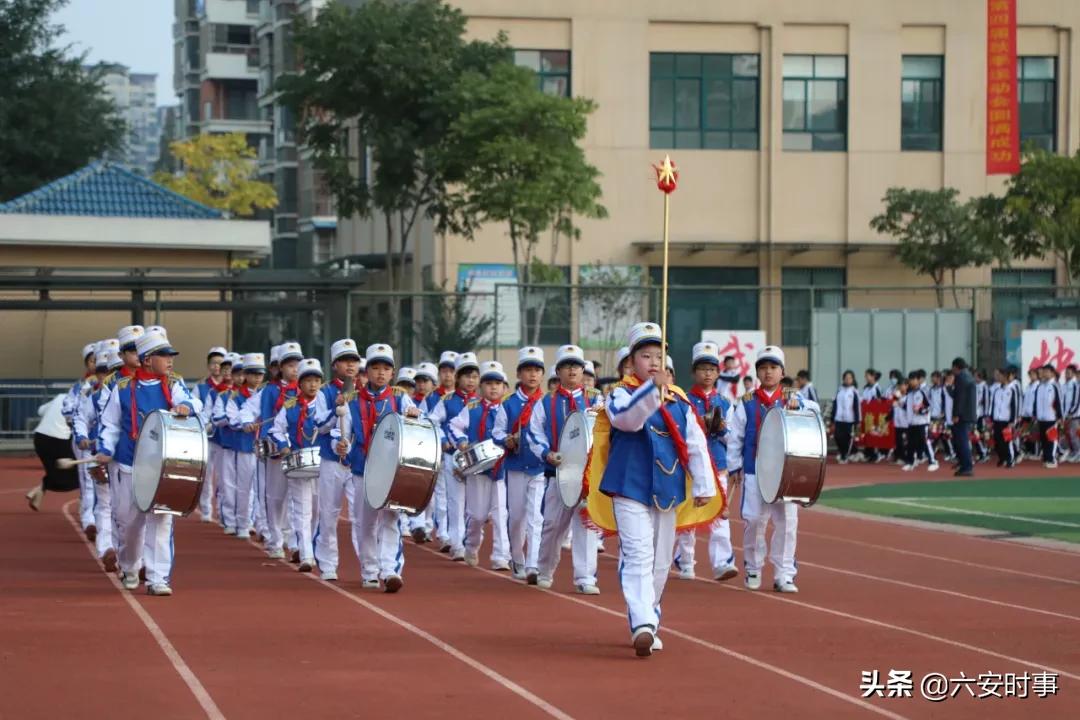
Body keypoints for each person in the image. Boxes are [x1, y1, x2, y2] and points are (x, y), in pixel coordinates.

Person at [599, 322, 717, 657]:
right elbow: (628, 420)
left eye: (658, 356)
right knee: (638, 555)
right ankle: (642, 624)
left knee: (662, 562)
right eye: (645, 355)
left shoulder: (680, 400)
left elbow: (694, 444)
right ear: (631, 362)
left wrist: (705, 485)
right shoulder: (620, 394)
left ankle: (650, 616)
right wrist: (652, 390)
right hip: (629, 486)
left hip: (667, 488)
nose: (652, 361)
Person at [96, 328, 198, 596]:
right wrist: (105, 447)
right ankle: (130, 567)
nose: (170, 360)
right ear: (147, 359)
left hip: (162, 465)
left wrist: (186, 406)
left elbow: (190, 401)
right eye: (164, 355)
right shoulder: (121, 388)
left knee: (162, 519)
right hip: (128, 463)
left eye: (170, 355)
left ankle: (158, 577)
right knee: (130, 522)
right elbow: (109, 423)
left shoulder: (174, 383)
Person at [727, 345, 818, 595]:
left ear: (782, 371)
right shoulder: (746, 403)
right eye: (763, 368)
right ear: (757, 372)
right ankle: (753, 567)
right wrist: (734, 466)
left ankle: (784, 573)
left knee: (787, 522)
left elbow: (815, 414)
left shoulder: (793, 398)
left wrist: (799, 404)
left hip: (785, 473)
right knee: (754, 520)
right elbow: (735, 437)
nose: (768, 373)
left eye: (773, 368)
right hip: (754, 471)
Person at [334, 343, 421, 591]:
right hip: (363, 469)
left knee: (392, 519)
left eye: (386, 368)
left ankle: (390, 570)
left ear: (392, 373)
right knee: (367, 522)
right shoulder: (351, 402)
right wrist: (341, 445)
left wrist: (415, 414)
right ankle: (370, 571)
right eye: (375, 368)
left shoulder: (400, 398)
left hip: (394, 471)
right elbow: (342, 434)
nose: (380, 373)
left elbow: (419, 422)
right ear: (366, 371)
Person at [528, 344, 603, 594]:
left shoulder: (596, 398)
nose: (572, 370)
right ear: (558, 371)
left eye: (576, 366)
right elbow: (534, 432)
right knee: (552, 525)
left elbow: (608, 429)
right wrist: (545, 453)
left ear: (583, 370)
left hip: (589, 476)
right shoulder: (545, 402)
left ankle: (585, 577)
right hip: (556, 472)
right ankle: (544, 570)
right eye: (567, 366)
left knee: (587, 526)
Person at [675, 341, 736, 582]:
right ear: (694, 372)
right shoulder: (683, 400)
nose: (707, 374)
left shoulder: (725, 403)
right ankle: (686, 561)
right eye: (702, 369)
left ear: (718, 372)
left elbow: (733, 438)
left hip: (718, 465)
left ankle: (722, 562)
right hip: (692, 468)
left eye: (712, 369)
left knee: (720, 514)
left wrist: (720, 429)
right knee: (689, 516)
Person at [491, 347, 547, 583]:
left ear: (542, 374)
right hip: (515, 467)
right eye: (527, 370)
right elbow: (497, 431)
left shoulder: (547, 402)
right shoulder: (509, 403)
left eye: (536, 370)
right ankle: (518, 558)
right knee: (516, 518)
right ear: (519, 374)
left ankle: (533, 564)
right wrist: (507, 440)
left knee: (536, 517)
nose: (532, 375)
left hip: (539, 467)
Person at [450, 361, 512, 569]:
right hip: (479, 468)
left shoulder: (509, 408)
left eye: (497, 383)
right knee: (477, 514)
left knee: (500, 513)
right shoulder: (472, 408)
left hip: (503, 469)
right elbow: (455, 425)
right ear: (481, 387)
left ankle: (500, 556)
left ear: (504, 387)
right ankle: (471, 545)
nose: (493, 388)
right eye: (488, 383)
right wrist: (461, 442)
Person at [312, 339, 364, 580]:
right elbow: (319, 425)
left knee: (361, 515)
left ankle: (368, 564)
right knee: (329, 512)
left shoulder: (366, 391)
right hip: (332, 461)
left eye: (354, 360)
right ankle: (328, 563)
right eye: (345, 361)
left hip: (358, 463)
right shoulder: (324, 392)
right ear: (335, 365)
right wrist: (335, 409)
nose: (350, 365)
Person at [249, 342, 303, 560]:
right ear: (281, 367)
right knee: (276, 496)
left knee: (296, 497)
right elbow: (250, 411)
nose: (295, 369)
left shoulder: (306, 388)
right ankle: (275, 540)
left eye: (297, 364)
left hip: (297, 448)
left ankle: (294, 541)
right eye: (290, 365)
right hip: (274, 449)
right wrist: (248, 423)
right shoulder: (269, 391)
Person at [271, 358, 325, 573]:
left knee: (318, 509)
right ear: (300, 384)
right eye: (308, 380)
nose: (312, 385)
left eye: (316, 380)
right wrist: (283, 445)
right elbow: (276, 430)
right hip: (299, 463)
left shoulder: (327, 405)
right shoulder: (290, 406)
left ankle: (312, 546)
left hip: (323, 463)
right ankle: (306, 554)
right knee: (302, 510)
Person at [426, 352, 480, 560]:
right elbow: (432, 421)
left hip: (477, 459)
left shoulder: (481, 400)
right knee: (455, 501)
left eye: (474, 376)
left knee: (475, 505)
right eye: (466, 376)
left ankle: (472, 541)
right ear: (458, 377)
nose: (470, 380)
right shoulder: (447, 400)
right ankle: (457, 544)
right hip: (453, 456)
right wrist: (442, 439)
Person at [225, 353, 266, 541]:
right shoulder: (235, 396)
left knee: (264, 489)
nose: (257, 377)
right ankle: (242, 523)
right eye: (253, 373)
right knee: (244, 487)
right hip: (244, 446)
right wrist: (245, 424)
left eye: (260, 373)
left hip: (266, 447)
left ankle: (262, 525)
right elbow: (232, 420)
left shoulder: (267, 393)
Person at [63, 341, 98, 539]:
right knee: (88, 480)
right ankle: (88, 519)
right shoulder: (79, 387)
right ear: (87, 363)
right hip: (83, 440)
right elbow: (67, 409)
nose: (95, 364)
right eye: (92, 361)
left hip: (102, 440)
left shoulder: (110, 384)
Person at [27, 393, 80, 511]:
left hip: (39, 438)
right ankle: (86, 506)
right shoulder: (86, 402)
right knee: (80, 474)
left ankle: (39, 491)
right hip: (59, 440)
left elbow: (40, 410)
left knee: (54, 472)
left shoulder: (61, 396)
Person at [406, 361, 440, 543]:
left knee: (433, 493)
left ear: (434, 383)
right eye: (419, 380)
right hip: (415, 447)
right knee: (416, 487)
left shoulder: (438, 399)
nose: (421, 384)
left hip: (433, 449)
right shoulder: (409, 401)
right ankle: (417, 524)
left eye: (426, 380)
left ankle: (427, 526)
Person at [194, 347, 228, 523]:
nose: (217, 367)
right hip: (206, 439)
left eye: (220, 364)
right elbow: (197, 411)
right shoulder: (200, 387)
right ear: (208, 366)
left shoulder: (230, 388)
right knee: (206, 476)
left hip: (225, 439)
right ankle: (206, 509)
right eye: (213, 363)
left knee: (224, 478)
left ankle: (223, 511)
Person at [903, 371, 937, 472]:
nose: (912, 382)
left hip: (922, 422)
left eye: (914, 379)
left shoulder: (922, 392)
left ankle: (933, 461)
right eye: (910, 379)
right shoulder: (909, 394)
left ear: (919, 380)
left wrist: (921, 410)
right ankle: (910, 462)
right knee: (911, 444)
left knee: (925, 442)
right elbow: (906, 407)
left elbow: (929, 407)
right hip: (911, 423)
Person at [950, 358, 977, 476]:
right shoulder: (969, 376)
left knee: (962, 441)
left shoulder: (960, 378)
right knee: (960, 440)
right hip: (968, 413)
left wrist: (956, 414)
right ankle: (964, 463)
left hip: (962, 414)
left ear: (956, 367)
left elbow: (959, 398)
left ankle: (967, 466)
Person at [1034, 364, 1062, 469]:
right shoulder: (1040, 386)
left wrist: (1059, 417)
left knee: (1052, 438)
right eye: (1043, 372)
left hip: (1052, 417)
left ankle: (1052, 459)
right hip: (1041, 418)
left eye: (1046, 371)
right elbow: (1036, 403)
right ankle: (1046, 458)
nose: (1044, 374)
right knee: (1044, 439)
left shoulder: (1055, 386)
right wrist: (1036, 415)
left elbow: (1059, 402)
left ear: (1052, 373)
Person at [991, 367, 1018, 467]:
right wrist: (991, 417)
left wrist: (1012, 420)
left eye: (1001, 375)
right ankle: (1002, 458)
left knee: (1007, 440)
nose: (999, 377)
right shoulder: (997, 390)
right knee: (997, 440)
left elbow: (1014, 406)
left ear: (1006, 377)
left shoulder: (1012, 390)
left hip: (1006, 420)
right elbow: (993, 405)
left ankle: (1010, 459)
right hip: (997, 419)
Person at [831, 370, 860, 464]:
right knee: (837, 437)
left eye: (850, 378)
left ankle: (844, 455)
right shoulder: (839, 390)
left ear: (852, 380)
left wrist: (857, 421)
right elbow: (835, 404)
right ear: (843, 379)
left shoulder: (854, 391)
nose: (848, 380)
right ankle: (845, 453)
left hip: (849, 419)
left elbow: (857, 407)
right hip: (839, 418)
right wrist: (832, 418)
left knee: (847, 439)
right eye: (846, 378)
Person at [860, 369, 884, 462]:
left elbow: (880, 402)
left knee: (873, 434)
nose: (865, 378)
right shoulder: (866, 388)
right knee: (867, 434)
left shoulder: (877, 388)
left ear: (873, 376)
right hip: (866, 415)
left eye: (867, 376)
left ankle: (875, 454)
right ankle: (868, 453)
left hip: (874, 415)